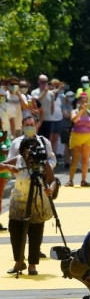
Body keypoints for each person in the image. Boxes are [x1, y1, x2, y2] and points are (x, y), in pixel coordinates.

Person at [3, 116, 57, 275]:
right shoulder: (18, 154)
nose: (30, 153)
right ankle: (19, 262)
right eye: (26, 125)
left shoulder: (43, 147)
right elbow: (5, 164)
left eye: (32, 125)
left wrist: (50, 188)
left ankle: (32, 264)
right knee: (15, 229)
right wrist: (8, 167)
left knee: (35, 230)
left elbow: (52, 178)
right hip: (19, 197)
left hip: (37, 198)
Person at [66, 93, 90, 187]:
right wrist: (81, 111)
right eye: (82, 101)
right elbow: (74, 120)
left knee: (85, 160)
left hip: (87, 137)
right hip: (76, 136)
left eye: (86, 101)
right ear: (79, 102)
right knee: (75, 159)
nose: (84, 103)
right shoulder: (75, 111)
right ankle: (70, 180)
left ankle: (83, 180)